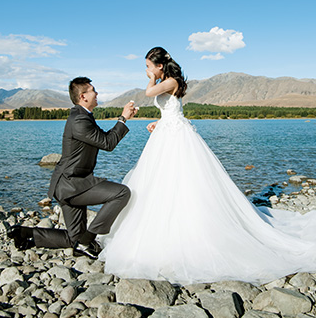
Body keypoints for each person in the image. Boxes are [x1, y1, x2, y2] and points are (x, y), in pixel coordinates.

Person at [99, 47, 316, 284]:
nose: (147, 70)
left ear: (160, 66)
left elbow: (150, 92)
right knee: (165, 180)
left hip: (175, 137)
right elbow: (172, 110)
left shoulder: (169, 80)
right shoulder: (171, 82)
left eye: (149, 66)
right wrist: (159, 122)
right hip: (168, 133)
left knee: (182, 179)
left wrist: (151, 79)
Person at [8, 76, 137, 258]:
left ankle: (27, 234)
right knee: (121, 193)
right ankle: (88, 240)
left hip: (68, 186)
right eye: (93, 90)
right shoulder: (80, 120)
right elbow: (108, 143)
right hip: (73, 185)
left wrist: (123, 120)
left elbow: (105, 138)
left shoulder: (83, 117)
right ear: (83, 96)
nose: (97, 93)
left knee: (74, 238)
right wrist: (123, 118)